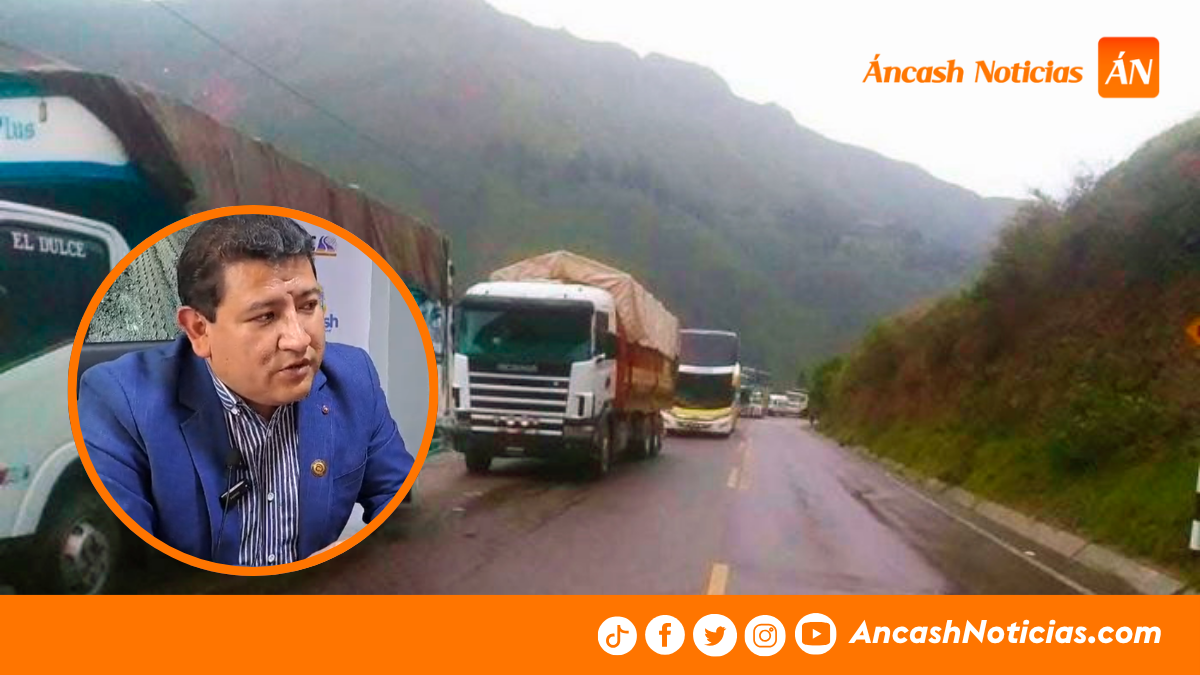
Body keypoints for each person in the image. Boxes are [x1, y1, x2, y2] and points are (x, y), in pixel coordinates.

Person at [78, 214, 413, 566]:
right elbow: (125, 567)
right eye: (266, 316)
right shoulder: (120, 402)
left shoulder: (354, 378)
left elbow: (401, 506)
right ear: (199, 330)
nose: (299, 339)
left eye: (308, 306)